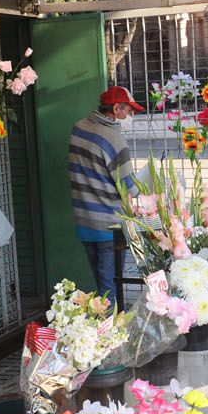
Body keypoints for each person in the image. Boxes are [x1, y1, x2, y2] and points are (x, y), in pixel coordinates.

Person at [68, 86, 142, 303]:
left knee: (102, 285)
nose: (130, 116)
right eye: (128, 111)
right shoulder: (113, 139)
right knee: (110, 290)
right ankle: (111, 333)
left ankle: (106, 329)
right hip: (110, 226)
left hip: (84, 222)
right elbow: (130, 188)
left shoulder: (78, 128)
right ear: (116, 108)